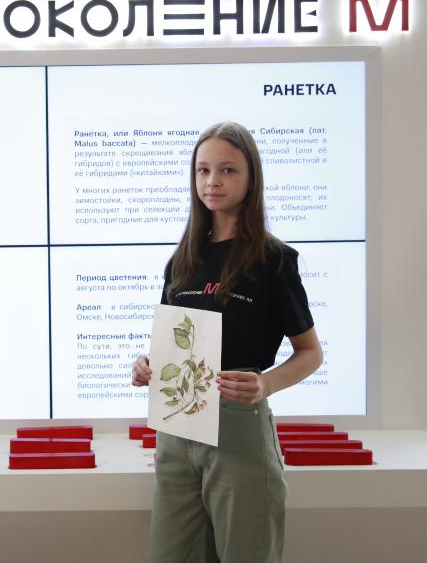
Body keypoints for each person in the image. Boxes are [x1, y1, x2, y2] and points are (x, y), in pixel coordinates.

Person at [131, 121, 324, 563]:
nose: (212, 181)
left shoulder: (274, 260)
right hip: (177, 429)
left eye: (227, 170)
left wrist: (266, 385)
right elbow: (174, 342)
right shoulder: (183, 259)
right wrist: (148, 364)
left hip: (237, 426)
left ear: (251, 178)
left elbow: (311, 352)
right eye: (203, 170)